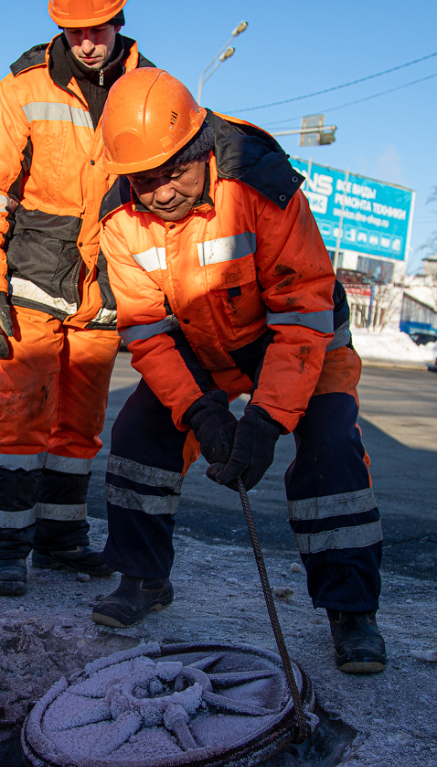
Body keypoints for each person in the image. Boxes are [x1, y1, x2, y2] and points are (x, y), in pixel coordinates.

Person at [92, 68, 387, 675]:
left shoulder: (262, 184)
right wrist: (200, 409)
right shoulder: (118, 219)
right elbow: (146, 329)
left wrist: (265, 423)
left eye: (174, 171)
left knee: (330, 451)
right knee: (139, 436)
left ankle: (351, 612)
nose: (163, 192)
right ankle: (143, 578)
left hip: (304, 337)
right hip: (207, 341)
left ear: (201, 147)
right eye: (145, 180)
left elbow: (304, 311)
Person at [0, 0, 155, 595]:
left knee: (79, 424)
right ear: (59, 26)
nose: (88, 43)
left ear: (119, 16)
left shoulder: (147, 92)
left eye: (98, 28)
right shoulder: (22, 91)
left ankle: (61, 540)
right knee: (20, 414)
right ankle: (6, 547)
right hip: (34, 279)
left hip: (104, 288)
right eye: (75, 31)